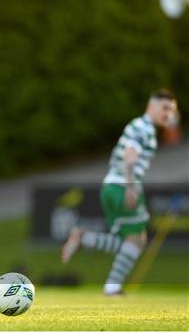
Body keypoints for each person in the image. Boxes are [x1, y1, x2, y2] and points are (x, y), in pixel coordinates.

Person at [61, 89, 177, 295]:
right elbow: (129, 157)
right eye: (165, 108)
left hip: (111, 185)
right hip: (123, 185)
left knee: (131, 241)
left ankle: (85, 240)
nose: (168, 113)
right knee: (136, 240)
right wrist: (131, 187)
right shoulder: (145, 128)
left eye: (172, 109)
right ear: (152, 105)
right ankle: (111, 284)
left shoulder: (137, 125)